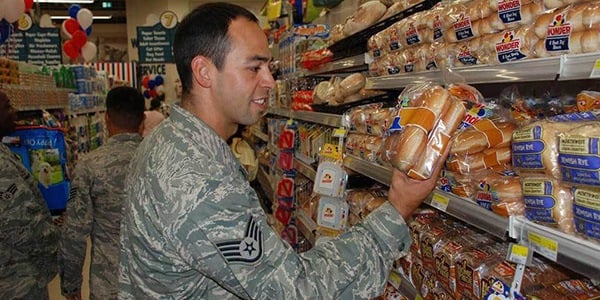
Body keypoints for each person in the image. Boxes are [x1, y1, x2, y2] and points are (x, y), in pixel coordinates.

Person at [119, 3, 445, 298]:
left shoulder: (173, 141)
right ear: (204, 72)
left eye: (269, 68)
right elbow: (297, 291)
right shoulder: (196, 178)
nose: (270, 82)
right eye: (254, 68)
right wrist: (397, 207)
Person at [60, 86, 144, 300]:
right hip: (153, 283)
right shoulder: (161, 161)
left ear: (106, 118)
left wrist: (70, 285)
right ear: (142, 120)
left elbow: (74, 233)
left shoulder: (90, 166)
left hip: (108, 284)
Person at [0, 90, 58, 299]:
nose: (14, 112)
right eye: (7, 107)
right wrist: (57, 247)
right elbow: (21, 224)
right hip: (15, 282)